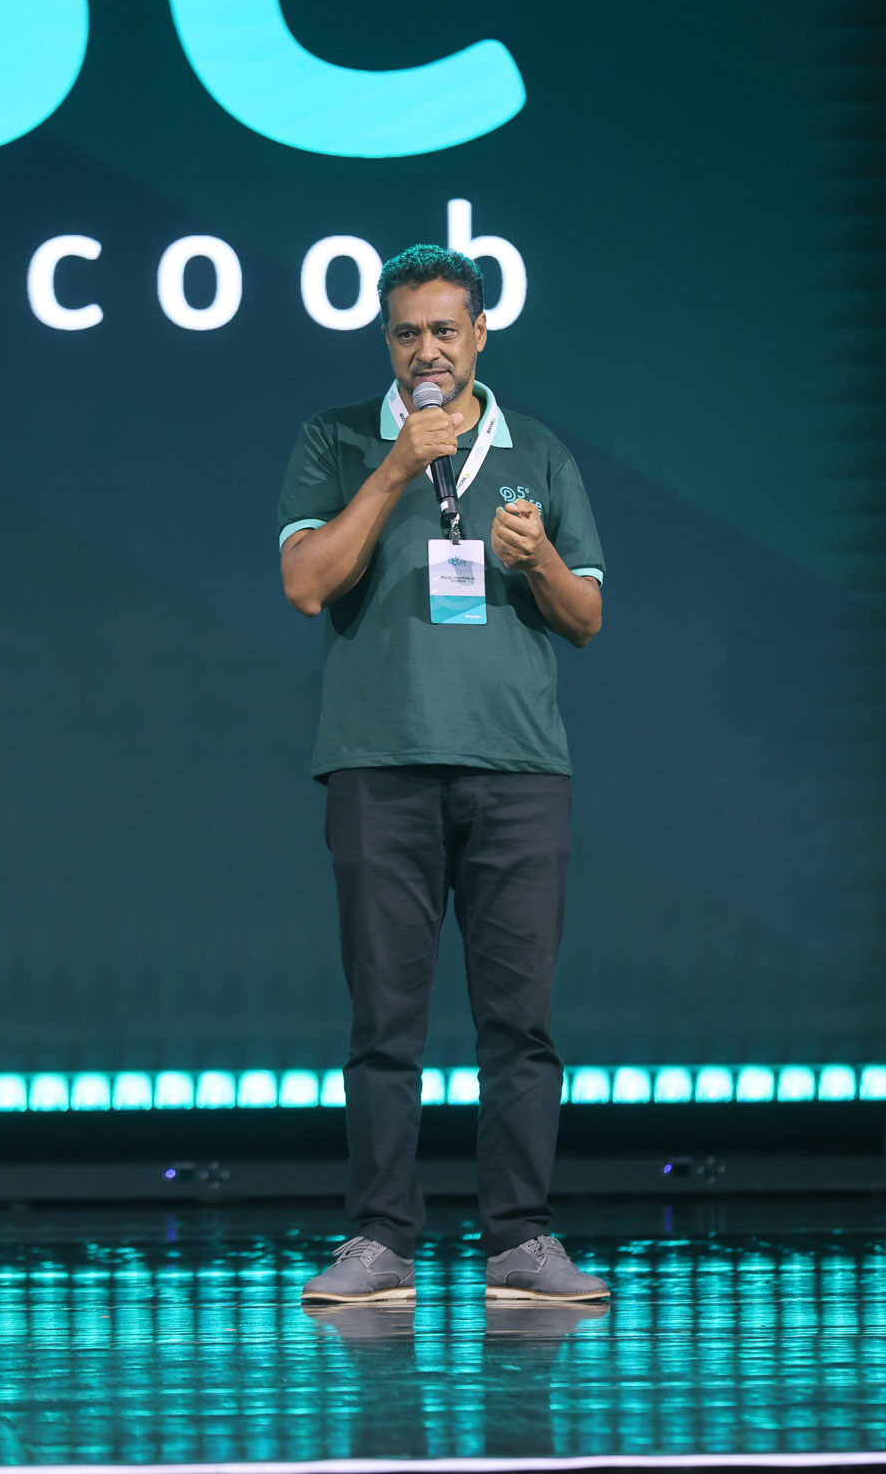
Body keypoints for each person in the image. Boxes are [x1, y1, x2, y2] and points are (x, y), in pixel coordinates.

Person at [277, 244, 609, 1305]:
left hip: (517, 771)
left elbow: (587, 617)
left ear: (481, 333)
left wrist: (537, 559)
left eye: (445, 330)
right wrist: (392, 469)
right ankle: (380, 1240)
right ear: (387, 341)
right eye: (407, 333)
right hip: (380, 768)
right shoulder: (336, 440)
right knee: (385, 1026)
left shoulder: (537, 452)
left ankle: (520, 1242)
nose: (427, 350)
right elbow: (305, 582)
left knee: (520, 1024)